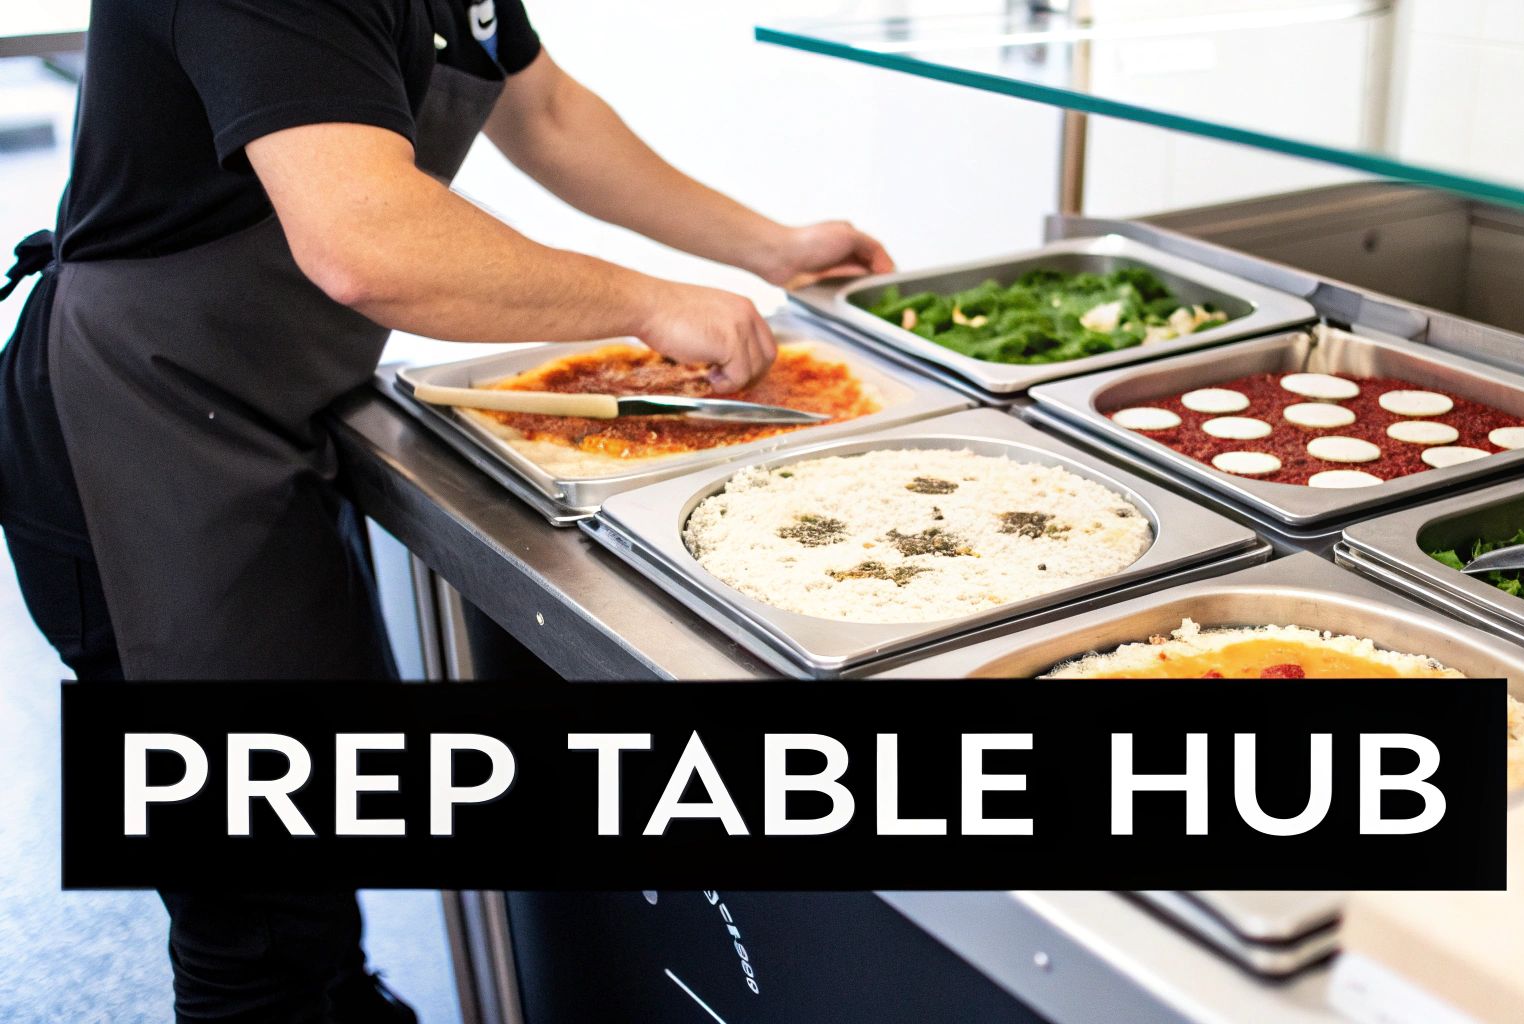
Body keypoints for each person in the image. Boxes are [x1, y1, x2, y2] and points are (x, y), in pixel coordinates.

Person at [0, 1, 893, 1020]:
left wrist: (770, 247)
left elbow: (546, 111)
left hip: (259, 411)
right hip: (138, 431)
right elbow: (366, 240)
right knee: (251, 902)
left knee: (307, 829)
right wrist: (646, 300)